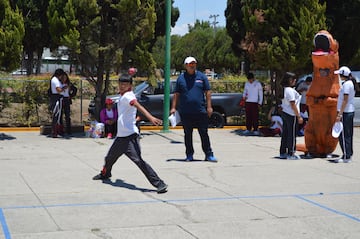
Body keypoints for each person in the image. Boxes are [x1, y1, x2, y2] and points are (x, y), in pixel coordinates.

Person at [93, 74, 168, 193]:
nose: (122, 86)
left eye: (125, 84)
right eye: (121, 84)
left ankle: (159, 183)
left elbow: (137, 105)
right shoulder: (123, 96)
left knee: (138, 160)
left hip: (130, 138)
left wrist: (150, 117)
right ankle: (105, 174)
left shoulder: (128, 96)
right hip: (121, 137)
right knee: (109, 158)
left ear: (130, 86)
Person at [170, 56, 217, 162]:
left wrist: (209, 107)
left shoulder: (201, 77)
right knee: (188, 135)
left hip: (200, 111)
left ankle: (209, 154)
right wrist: (173, 107)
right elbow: (176, 94)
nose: (192, 66)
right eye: (190, 64)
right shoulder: (181, 79)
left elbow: (208, 92)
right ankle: (189, 155)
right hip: (186, 112)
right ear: (186, 66)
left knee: (204, 133)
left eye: (194, 64)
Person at [334, 66, 357, 163]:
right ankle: (348, 153)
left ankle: (346, 156)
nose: (339, 76)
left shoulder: (347, 84)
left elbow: (345, 100)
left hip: (345, 112)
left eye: (340, 74)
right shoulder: (349, 83)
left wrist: (339, 114)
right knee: (348, 134)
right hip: (348, 111)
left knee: (343, 134)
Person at [278, 72, 303, 160]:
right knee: (291, 134)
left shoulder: (286, 89)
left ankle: (283, 152)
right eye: (293, 79)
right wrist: (299, 116)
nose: (295, 81)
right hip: (291, 114)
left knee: (285, 133)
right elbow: (293, 104)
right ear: (289, 80)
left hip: (285, 113)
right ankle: (291, 152)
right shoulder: (289, 90)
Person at [49, 68, 66, 138]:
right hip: (57, 98)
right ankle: (55, 131)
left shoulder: (56, 80)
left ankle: (57, 130)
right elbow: (58, 90)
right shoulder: (55, 80)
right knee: (56, 115)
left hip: (58, 98)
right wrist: (64, 88)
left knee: (58, 115)